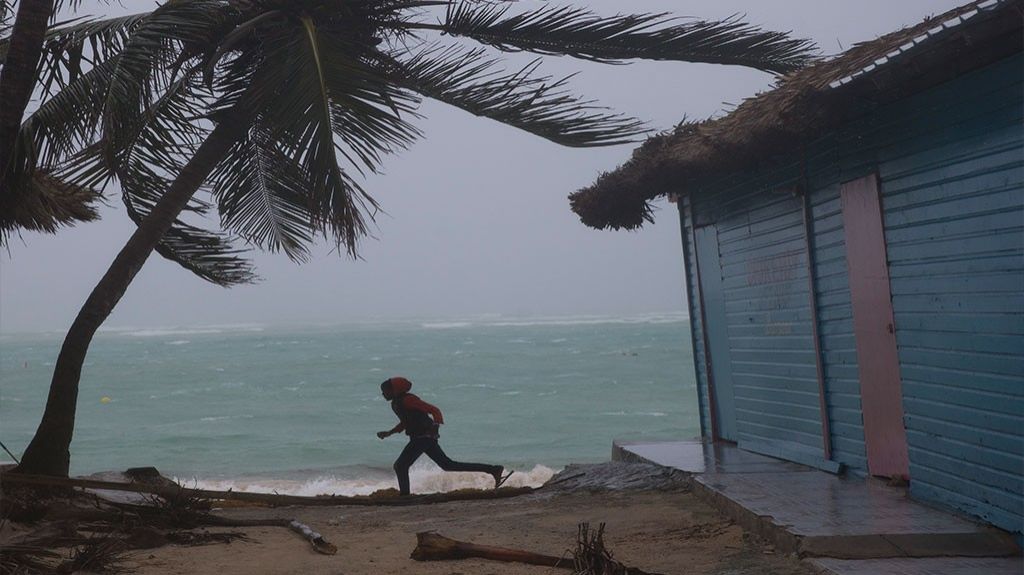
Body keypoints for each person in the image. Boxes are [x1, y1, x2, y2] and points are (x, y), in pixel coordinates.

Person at [376, 376, 513, 496]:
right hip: (423, 438)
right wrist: (389, 433)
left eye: (386, 391)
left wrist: (436, 426)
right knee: (448, 465)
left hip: (423, 437)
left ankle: (405, 496)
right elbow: (406, 422)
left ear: (396, 390)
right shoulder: (397, 403)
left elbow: (434, 410)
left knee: (400, 465)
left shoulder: (408, 400)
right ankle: (494, 469)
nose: (383, 394)